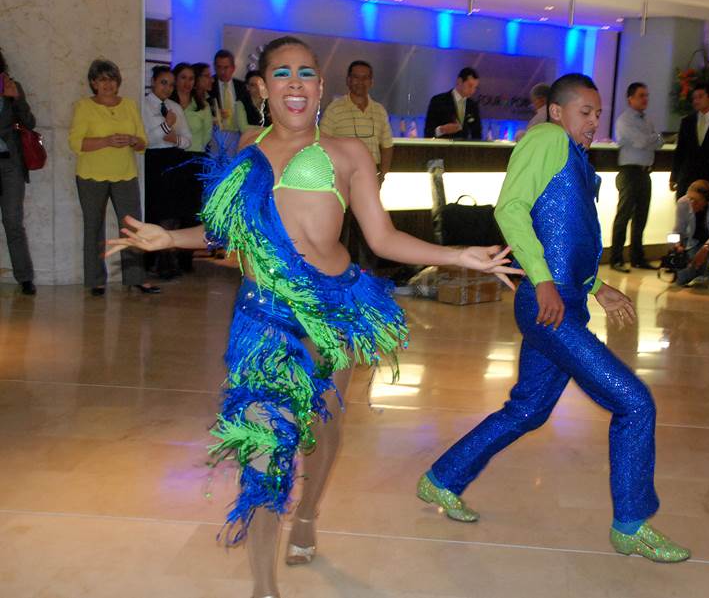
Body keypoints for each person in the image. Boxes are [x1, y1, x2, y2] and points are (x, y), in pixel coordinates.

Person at [106, 35, 521, 598]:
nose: (295, 83)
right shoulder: (243, 147)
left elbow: (383, 237)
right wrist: (168, 237)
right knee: (263, 448)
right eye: (282, 74)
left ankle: (307, 517)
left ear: (320, 88)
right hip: (262, 317)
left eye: (306, 73)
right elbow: (228, 233)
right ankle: (263, 588)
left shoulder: (349, 153)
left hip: (335, 312)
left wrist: (457, 254)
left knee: (322, 429)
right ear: (262, 88)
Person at [417, 73, 690, 564]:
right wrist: (541, 280)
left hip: (562, 299)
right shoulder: (547, 138)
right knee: (635, 402)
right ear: (557, 111)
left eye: (597, 113)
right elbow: (511, 209)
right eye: (584, 112)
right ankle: (631, 524)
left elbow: (567, 237)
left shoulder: (574, 157)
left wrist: (594, 285)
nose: (592, 122)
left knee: (528, 409)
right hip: (549, 306)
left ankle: (441, 478)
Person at [68, 59, 158, 296]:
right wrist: (106, 141)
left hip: (125, 174)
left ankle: (135, 277)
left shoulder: (129, 105)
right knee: (93, 227)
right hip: (91, 176)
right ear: (93, 83)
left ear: (118, 82)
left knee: (131, 228)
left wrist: (132, 140)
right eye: (101, 79)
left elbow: (142, 142)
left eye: (111, 79)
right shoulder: (83, 107)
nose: (107, 84)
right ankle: (95, 280)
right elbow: (76, 143)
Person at [610, 82, 665, 272]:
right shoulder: (624, 120)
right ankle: (616, 258)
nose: (645, 99)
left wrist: (652, 138)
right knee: (624, 216)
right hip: (630, 171)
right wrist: (653, 138)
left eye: (647, 95)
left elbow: (660, 142)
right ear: (630, 98)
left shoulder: (647, 120)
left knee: (641, 216)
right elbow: (643, 142)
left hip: (645, 172)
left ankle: (637, 257)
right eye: (641, 95)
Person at [142, 65, 191, 279]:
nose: (168, 88)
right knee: (157, 212)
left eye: (171, 84)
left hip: (174, 159)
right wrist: (165, 126)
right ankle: (156, 261)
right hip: (154, 160)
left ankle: (170, 260)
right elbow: (146, 138)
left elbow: (188, 139)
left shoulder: (175, 107)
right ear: (153, 81)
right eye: (163, 82)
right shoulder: (143, 104)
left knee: (173, 212)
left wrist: (176, 139)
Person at [320, 60, 394, 184]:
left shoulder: (379, 110)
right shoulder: (334, 109)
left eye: (365, 78)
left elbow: (387, 146)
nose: (360, 82)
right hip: (342, 176)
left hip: (371, 175)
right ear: (348, 80)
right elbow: (322, 143)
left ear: (371, 82)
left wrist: (382, 175)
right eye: (356, 77)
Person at [0, 48, 37, 295]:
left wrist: (16, 99)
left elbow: (30, 123)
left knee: (13, 221)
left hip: (10, 163)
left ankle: (24, 277)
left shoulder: (12, 86)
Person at [171, 62, 214, 271]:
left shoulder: (203, 105)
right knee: (171, 209)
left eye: (191, 79)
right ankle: (165, 259)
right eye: (183, 78)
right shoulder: (168, 104)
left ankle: (185, 260)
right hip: (171, 158)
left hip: (195, 159)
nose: (187, 83)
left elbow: (206, 135)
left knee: (190, 210)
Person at [424, 67, 482, 140]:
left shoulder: (473, 105)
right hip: (442, 149)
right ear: (459, 81)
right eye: (470, 86)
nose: (473, 90)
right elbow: (428, 132)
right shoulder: (438, 101)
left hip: (466, 150)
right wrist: (442, 130)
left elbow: (477, 134)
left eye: (475, 87)